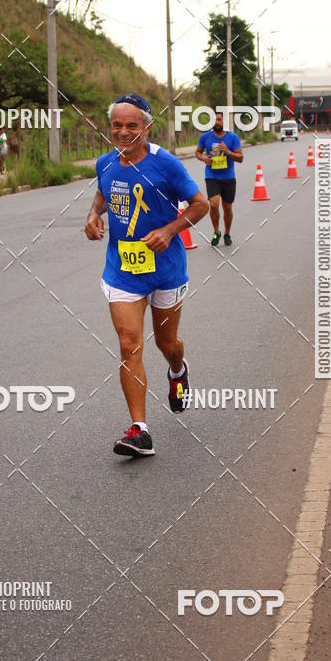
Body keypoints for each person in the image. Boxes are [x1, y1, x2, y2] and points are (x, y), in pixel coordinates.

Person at [85, 93, 208, 458]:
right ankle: (139, 430)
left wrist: (169, 231)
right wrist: (93, 217)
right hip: (123, 272)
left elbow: (201, 204)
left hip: (166, 271)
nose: (124, 132)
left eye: (132, 126)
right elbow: (102, 195)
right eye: (117, 126)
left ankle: (177, 370)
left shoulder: (166, 164)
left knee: (166, 344)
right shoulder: (106, 163)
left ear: (147, 127)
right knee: (128, 343)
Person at [195, 110, 243, 247]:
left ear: (224, 122)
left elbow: (240, 158)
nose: (217, 122)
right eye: (214, 120)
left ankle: (227, 233)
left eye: (219, 120)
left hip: (228, 176)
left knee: (227, 207)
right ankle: (216, 232)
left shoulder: (232, 138)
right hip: (212, 176)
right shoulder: (205, 137)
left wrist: (227, 151)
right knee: (214, 204)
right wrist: (203, 158)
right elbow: (197, 152)